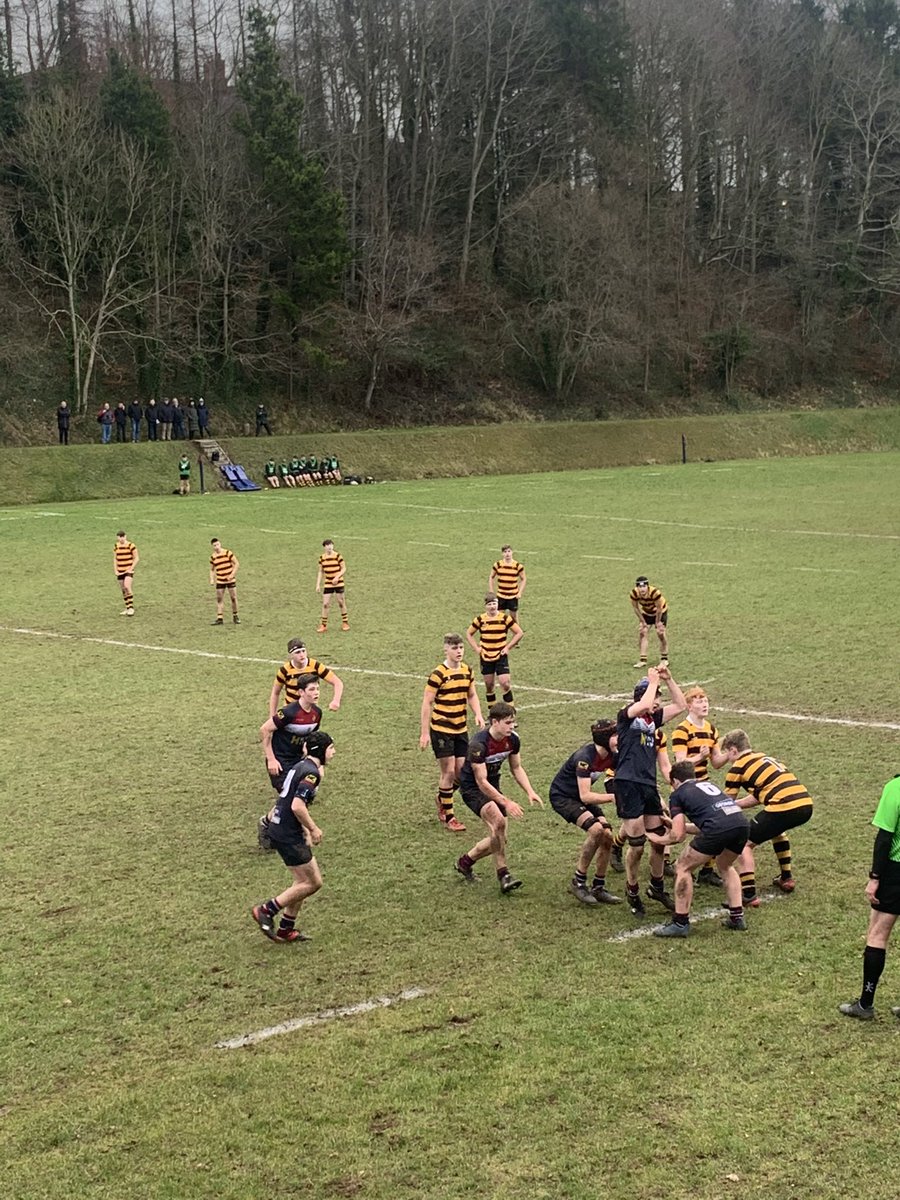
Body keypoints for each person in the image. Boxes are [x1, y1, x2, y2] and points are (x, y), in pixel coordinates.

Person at [648, 762, 750, 937]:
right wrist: (679, 825)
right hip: (740, 824)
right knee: (725, 866)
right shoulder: (708, 785)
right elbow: (709, 820)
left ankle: (680, 923)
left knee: (682, 867)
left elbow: (677, 836)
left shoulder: (678, 794)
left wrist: (657, 838)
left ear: (675, 781)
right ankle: (737, 917)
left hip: (718, 828)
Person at [614, 665, 685, 916]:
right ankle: (632, 889)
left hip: (647, 784)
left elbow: (681, 705)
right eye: (657, 698)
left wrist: (669, 679)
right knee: (637, 844)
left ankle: (656, 886)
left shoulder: (652, 720)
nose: (658, 704)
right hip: (628, 783)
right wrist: (652, 682)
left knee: (658, 839)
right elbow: (643, 705)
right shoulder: (627, 716)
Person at [251, 731, 335, 943]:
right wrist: (314, 829)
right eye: (331, 748)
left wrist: (304, 830)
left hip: (281, 828)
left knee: (301, 882)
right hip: (287, 833)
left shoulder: (300, 766)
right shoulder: (312, 774)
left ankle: (286, 929)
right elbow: (297, 806)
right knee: (313, 882)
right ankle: (266, 910)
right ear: (321, 750)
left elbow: (289, 799)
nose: (334, 752)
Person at [455, 702, 543, 894]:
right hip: (473, 788)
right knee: (498, 823)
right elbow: (481, 781)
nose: (512, 726)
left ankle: (465, 862)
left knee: (500, 837)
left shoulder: (513, 740)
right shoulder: (478, 745)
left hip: (492, 785)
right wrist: (506, 801)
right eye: (508, 722)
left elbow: (516, 767)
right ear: (494, 722)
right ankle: (504, 875)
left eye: (513, 722)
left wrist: (530, 791)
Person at [720, 730, 814, 907]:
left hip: (784, 805)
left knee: (743, 844)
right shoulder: (763, 758)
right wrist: (739, 805)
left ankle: (748, 894)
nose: (727, 758)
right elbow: (758, 796)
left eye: (727, 753)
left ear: (733, 750)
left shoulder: (738, 767)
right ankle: (786, 878)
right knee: (777, 831)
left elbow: (726, 802)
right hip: (805, 803)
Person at [840, 774, 900, 1020]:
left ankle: (865, 1004)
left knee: (877, 933)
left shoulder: (895, 788)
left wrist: (875, 877)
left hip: (896, 871)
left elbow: (884, 838)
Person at [549, 719, 621, 906]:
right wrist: (613, 797)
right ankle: (578, 882)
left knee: (607, 836)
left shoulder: (612, 755)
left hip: (580, 798)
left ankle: (598, 886)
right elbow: (586, 796)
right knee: (596, 830)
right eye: (615, 735)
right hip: (563, 797)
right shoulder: (585, 758)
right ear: (605, 738)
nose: (618, 738)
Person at [420, 633, 485, 833]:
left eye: (460, 648)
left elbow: (472, 694)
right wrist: (424, 733)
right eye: (454, 648)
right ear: (445, 649)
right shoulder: (438, 674)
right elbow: (427, 702)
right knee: (448, 771)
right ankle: (450, 817)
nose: (458, 652)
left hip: (460, 729)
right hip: (441, 729)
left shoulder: (467, 671)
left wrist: (478, 714)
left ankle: (442, 797)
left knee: (461, 771)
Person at [258, 673, 324, 850]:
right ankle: (298, 834)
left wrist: (317, 764)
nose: (316, 692)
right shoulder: (288, 712)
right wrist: (271, 759)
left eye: (317, 688)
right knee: (292, 800)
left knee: (300, 797)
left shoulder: (317, 713)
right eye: (312, 689)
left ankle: (268, 823)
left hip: (298, 761)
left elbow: (311, 739)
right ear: (301, 692)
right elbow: (265, 730)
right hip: (280, 761)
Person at [671, 687, 730, 887]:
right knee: (678, 829)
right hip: (684, 788)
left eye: (705, 700)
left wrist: (731, 754)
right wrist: (699, 757)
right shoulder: (682, 730)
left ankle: (706, 870)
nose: (704, 704)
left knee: (710, 826)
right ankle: (668, 863)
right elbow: (680, 764)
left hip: (704, 786)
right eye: (698, 701)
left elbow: (716, 762)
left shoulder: (711, 729)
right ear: (688, 706)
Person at [466, 593, 523, 705]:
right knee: (489, 685)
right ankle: (492, 714)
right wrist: (477, 648)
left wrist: (507, 647)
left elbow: (519, 633)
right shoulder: (480, 619)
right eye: (490, 604)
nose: (492, 606)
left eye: (494, 604)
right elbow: (469, 633)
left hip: (500, 655)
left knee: (505, 683)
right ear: (485, 606)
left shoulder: (505, 618)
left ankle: (510, 715)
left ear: (497, 604)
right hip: (486, 656)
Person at [269, 638, 344, 717]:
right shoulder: (284, 670)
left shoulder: (315, 666)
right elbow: (275, 693)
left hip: (310, 711)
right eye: (297, 652)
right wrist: (272, 716)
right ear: (291, 655)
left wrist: (336, 701)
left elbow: (337, 682)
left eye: (303, 651)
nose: (302, 655)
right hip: (289, 710)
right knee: (271, 726)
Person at [629, 575, 669, 669]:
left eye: (644, 586)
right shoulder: (634, 594)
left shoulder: (655, 593)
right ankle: (643, 660)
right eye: (640, 587)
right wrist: (643, 622)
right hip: (647, 612)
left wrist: (658, 623)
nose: (642, 589)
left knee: (660, 633)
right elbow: (636, 608)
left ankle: (664, 658)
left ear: (647, 586)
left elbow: (659, 608)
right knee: (643, 632)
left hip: (660, 612)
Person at [316, 539, 349, 632]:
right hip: (328, 583)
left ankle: (345, 622)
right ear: (324, 547)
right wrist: (318, 584)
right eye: (327, 545)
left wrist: (337, 577)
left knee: (341, 602)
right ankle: (323, 625)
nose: (329, 547)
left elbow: (344, 568)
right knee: (325, 604)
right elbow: (320, 571)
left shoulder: (338, 556)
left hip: (338, 582)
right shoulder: (322, 558)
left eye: (331, 545)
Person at [209, 537, 240, 624]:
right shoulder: (213, 557)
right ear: (212, 547)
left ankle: (235, 616)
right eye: (214, 545)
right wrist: (212, 579)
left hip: (230, 580)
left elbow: (236, 563)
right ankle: (220, 618)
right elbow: (212, 569)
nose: (217, 547)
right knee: (219, 599)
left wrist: (232, 575)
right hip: (220, 580)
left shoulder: (227, 553)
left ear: (220, 544)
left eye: (218, 544)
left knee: (233, 598)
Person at [488, 545, 526, 614]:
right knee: (500, 617)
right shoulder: (498, 565)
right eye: (505, 552)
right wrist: (491, 590)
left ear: (512, 552)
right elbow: (491, 576)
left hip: (513, 596)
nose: (507, 554)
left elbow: (523, 579)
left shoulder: (518, 566)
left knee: (513, 618)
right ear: (502, 554)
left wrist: (520, 593)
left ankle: (517, 625)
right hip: (501, 596)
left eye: (509, 551)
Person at [114, 530, 139, 616]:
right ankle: (127, 607)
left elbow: (136, 558)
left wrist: (131, 568)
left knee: (127, 586)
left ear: (125, 536)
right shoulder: (116, 546)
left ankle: (131, 608)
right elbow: (115, 558)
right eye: (119, 537)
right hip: (120, 571)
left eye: (122, 537)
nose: (121, 539)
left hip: (128, 570)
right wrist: (115, 570)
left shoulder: (131, 545)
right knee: (123, 589)